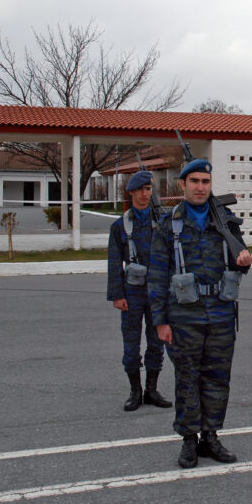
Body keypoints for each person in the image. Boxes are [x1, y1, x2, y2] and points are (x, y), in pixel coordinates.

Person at [149, 159, 252, 469]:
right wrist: (160, 320)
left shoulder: (226, 221)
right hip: (184, 315)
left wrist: (244, 261)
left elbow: (239, 260)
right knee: (187, 378)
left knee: (217, 378)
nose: (200, 187)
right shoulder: (168, 225)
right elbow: (157, 276)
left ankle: (210, 435)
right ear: (182, 185)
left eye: (205, 182)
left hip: (221, 313)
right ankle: (188, 439)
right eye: (194, 181)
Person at [106, 170, 171, 411]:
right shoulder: (120, 226)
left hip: (157, 289)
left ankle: (152, 389)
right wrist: (117, 294)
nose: (145, 194)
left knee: (157, 342)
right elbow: (114, 262)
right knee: (131, 343)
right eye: (140, 190)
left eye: (149, 189)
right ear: (131, 192)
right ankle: (135, 391)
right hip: (132, 290)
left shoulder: (163, 222)